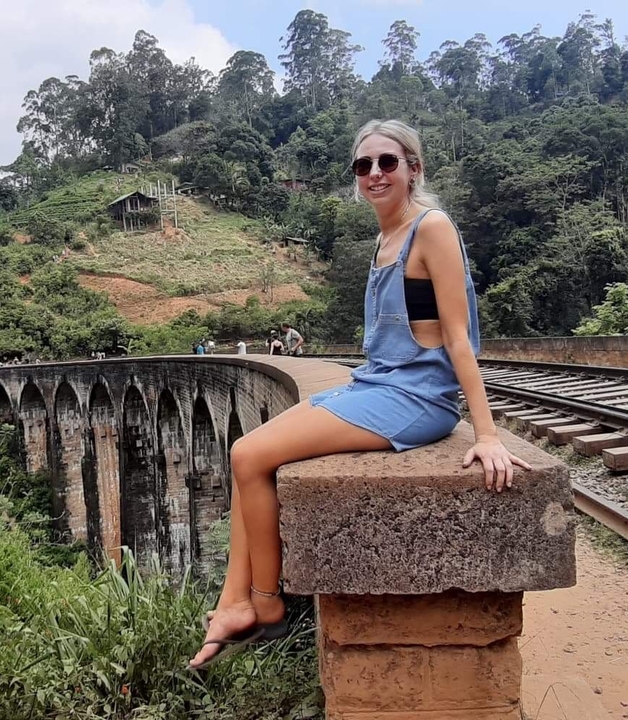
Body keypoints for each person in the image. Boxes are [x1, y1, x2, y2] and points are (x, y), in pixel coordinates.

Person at [189, 119, 530, 670]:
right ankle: (233, 601)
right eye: (364, 165)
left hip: (418, 399)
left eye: (387, 162)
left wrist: (486, 433)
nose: (374, 173)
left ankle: (265, 605)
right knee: (253, 452)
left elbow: (459, 338)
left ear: (413, 169)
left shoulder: (431, 228)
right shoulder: (384, 238)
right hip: (380, 385)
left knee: (247, 454)